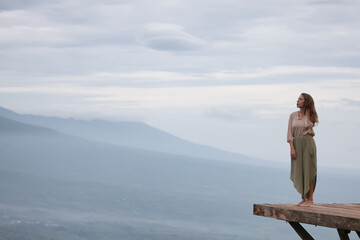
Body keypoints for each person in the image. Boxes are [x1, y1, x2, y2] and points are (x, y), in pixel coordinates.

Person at [287, 93, 318, 207]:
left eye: (300, 99)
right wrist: (292, 148)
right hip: (297, 144)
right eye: (298, 99)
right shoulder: (292, 115)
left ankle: (310, 199)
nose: (297, 101)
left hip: (308, 143)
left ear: (306, 102)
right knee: (299, 170)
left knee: (308, 169)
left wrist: (306, 113)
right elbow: (290, 133)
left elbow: (308, 124)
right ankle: (303, 198)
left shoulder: (311, 115)